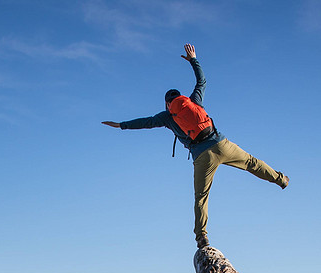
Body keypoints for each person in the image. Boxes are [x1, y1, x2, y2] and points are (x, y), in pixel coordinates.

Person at [103, 43, 289, 249]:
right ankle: (281, 179)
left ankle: (202, 236)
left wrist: (121, 125)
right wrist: (193, 59)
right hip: (221, 144)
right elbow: (202, 81)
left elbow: (145, 122)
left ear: (167, 104)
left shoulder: (167, 117)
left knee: (201, 198)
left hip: (202, 157)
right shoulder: (195, 101)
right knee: (252, 163)